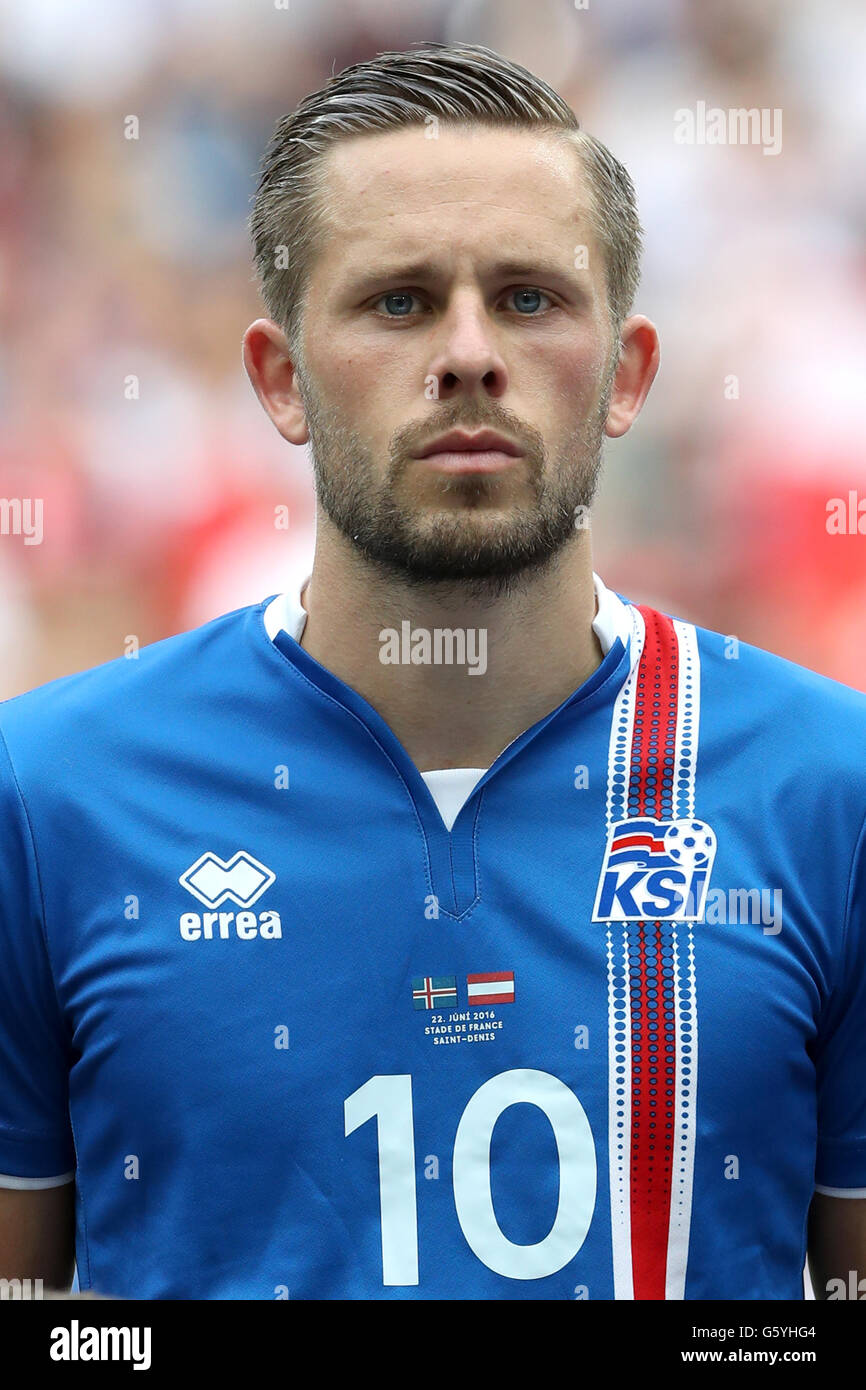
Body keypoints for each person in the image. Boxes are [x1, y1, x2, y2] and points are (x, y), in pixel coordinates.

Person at [0, 40, 864, 1301]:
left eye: (528, 298)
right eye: (397, 301)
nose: (467, 354)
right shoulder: (48, 794)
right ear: (279, 379)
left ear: (624, 375)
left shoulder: (824, 788)